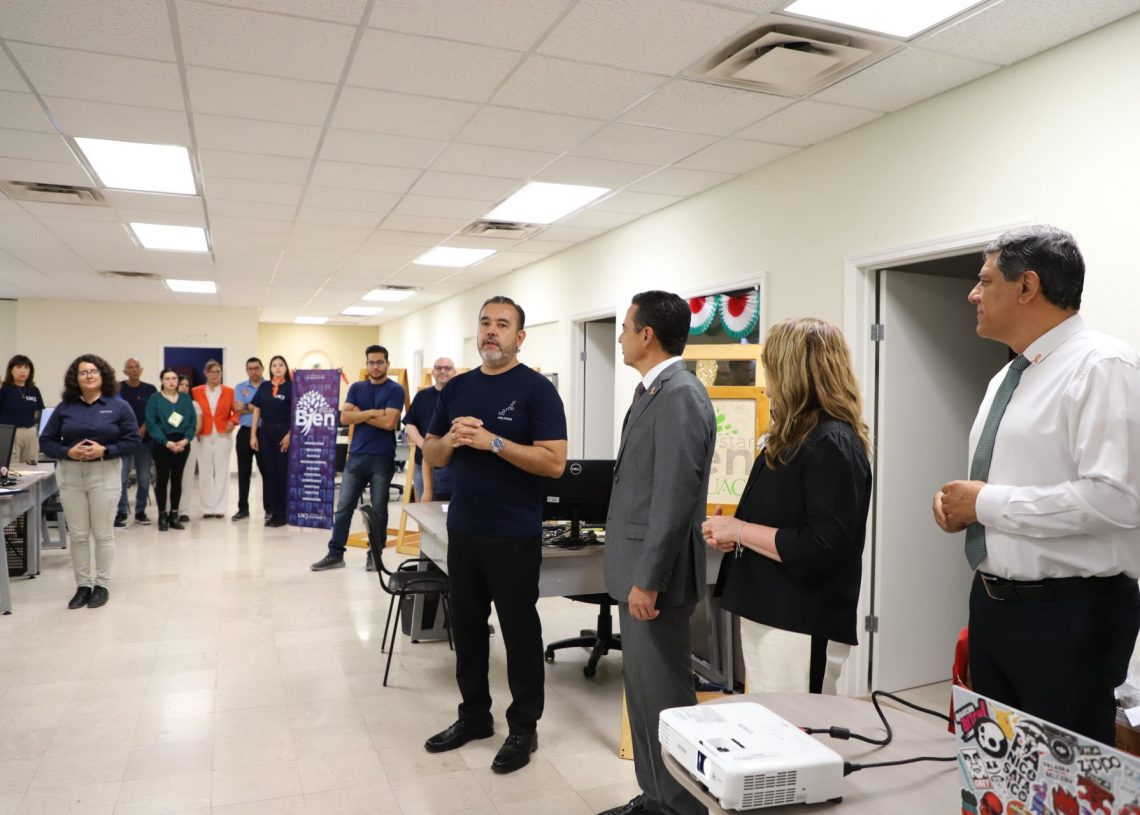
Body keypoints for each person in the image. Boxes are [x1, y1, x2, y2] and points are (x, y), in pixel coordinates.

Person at [933, 225, 1140, 745]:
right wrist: (960, 507)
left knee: (1062, 776)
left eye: (985, 281)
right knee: (996, 770)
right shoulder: (1006, 378)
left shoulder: (1102, 366)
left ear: (1027, 286)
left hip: (1070, 615)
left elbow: (1117, 498)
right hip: (993, 604)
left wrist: (985, 504)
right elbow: (1014, 482)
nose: (972, 294)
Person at [422, 296, 567, 775]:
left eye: (502, 324)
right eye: (485, 322)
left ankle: (524, 727)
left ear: (519, 337)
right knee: (466, 629)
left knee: (519, 632)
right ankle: (474, 717)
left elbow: (554, 463)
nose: (491, 331)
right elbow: (432, 453)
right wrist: (451, 440)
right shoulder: (457, 388)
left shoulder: (537, 390)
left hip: (513, 533)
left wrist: (494, 442)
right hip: (464, 530)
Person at [702, 318, 872, 698]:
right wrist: (736, 533)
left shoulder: (832, 443)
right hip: (768, 609)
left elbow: (821, 545)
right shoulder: (795, 437)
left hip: (800, 619)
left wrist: (741, 530)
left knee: (800, 727)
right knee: (770, 725)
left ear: (795, 374)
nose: (768, 384)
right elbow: (782, 518)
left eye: (773, 370)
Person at [599, 291, 716, 815]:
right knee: (644, 697)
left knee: (666, 700)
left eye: (626, 328)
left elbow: (673, 496)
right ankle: (654, 798)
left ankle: (681, 806)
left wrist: (647, 580)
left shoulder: (680, 395)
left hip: (655, 581)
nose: (621, 337)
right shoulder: (653, 391)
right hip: (638, 573)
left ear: (647, 335)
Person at [39, 354, 139, 609]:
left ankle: (101, 585)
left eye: (93, 371)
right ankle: (83, 585)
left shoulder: (119, 407)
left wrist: (105, 450)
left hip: (105, 473)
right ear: (76, 378)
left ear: (103, 375)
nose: (89, 376)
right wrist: (67, 452)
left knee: (103, 533)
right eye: (83, 372)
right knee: (78, 535)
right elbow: (46, 440)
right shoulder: (65, 408)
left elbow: (132, 441)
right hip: (71, 474)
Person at [311, 345, 405, 571]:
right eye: (371, 362)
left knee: (379, 510)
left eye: (380, 362)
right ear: (367, 364)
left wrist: (359, 415)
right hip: (356, 456)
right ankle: (335, 554)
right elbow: (344, 417)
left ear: (387, 364)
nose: (375, 366)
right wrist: (374, 412)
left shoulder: (396, 390)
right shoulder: (356, 387)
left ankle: (375, 555)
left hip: (382, 457)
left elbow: (389, 423)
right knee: (343, 507)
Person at [146, 368, 196, 532]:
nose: (171, 381)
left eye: (174, 378)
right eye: (167, 378)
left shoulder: (185, 398)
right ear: (162, 381)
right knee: (162, 479)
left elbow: (192, 422)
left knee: (177, 479)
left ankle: (174, 515)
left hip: (182, 443)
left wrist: (185, 440)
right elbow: (151, 423)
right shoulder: (155, 398)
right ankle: (162, 515)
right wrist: (166, 442)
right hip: (162, 444)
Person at [403, 356, 456, 501]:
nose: (443, 371)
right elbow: (410, 424)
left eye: (447, 368)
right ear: (433, 372)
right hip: (423, 462)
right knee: (424, 508)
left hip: (451, 465)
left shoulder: (460, 397)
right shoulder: (422, 396)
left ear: (454, 372)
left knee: (448, 509)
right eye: (438, 368)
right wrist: (426, 446)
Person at [191, 360, 238, 518]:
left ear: (221, 373)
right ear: (206, 373)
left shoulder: (230, 391)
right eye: (212, 371)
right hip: (203, 436)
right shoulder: (196, 391)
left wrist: (233, 421)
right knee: (205, 472)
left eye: (218, 371)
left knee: (222, 471)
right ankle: (207, 508)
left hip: (223, 435)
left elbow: (237, 411)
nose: (215, 374)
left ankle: (220, 508)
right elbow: (192, 412)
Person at [250, 355, 291, 528]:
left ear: (286, 368)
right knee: (269, 473)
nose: (278, 368)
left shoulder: (291, 387)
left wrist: (290, 434)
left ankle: (282, 513)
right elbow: (256, 411)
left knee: (282, 472)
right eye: (274, 365)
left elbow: (297, 414)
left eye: (281, 365)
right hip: (265, 432)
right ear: (270, 369)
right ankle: (272, 511)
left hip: (284, 432)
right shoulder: (265, 386)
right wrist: (253, 435)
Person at [115, 357, 156, 527]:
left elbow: (152, 413)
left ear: (141, 370)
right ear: (125, 371)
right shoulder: (118, 388)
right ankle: (121, 512)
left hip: (144, 441)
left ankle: (140, 511)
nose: (134, 370)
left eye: (136, 367)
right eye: (130, 367)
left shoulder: (150, 389)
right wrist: (131, 432)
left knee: (144, 478)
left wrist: (142, 430)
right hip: (124, 441)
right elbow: (115, 412)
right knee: (122, 478)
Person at [232, 357, 268, 522]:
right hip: (245, 432)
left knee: (267, 472)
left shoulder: (269, 386)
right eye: (250, 368)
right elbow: (238, 408)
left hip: (264, 433)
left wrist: (247, 406)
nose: (254, 371)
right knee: (243, 472)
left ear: (262, 369)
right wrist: (257, 407)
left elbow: (267, 407)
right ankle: (243, 509)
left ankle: (270, 509)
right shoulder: (240, 387)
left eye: (257, 368)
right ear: (247, 370)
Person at [0, 354, 45, 465]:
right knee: (11, 466)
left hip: (30, 432)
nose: (23, 371)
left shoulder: (34, 390)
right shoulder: (3, 388)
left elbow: (37, 412)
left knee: (31, 465)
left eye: (26, 367)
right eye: (19, 367)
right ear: (11, 370)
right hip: (10, 432)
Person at [177, 375, 199, 524]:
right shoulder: (167, 403)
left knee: (187, 477)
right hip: (171, 443)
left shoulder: (194, 404)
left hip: (189, 441)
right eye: (181, 384)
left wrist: (185, 439)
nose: (184, 387)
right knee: (171, 477)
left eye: (187, 385)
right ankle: (170, 508)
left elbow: (197, 425)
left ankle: (184, 510)